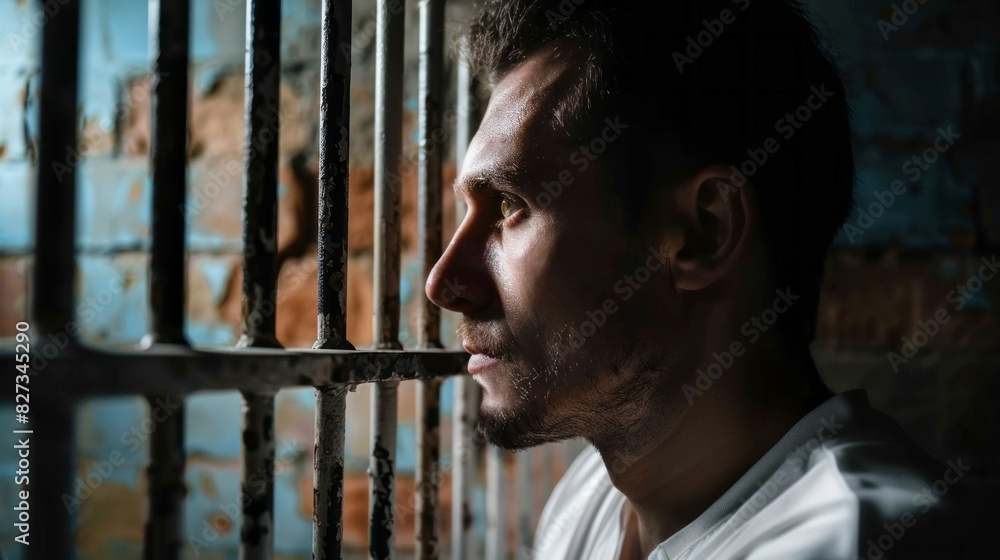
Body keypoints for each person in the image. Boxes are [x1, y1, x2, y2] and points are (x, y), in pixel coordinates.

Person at [425, 1, 971, 558]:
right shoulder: (585, 500)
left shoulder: (853, 539)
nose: (443, 282)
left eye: (509, 206)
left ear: (703, 234)